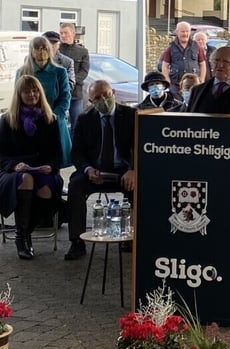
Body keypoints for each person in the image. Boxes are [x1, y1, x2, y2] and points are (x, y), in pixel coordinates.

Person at [66, 80, 136, 260]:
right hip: (95, 172)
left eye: (105, 94)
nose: (102, 99)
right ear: (90, 101)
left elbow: (141, 147)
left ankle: (131, 237)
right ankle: (77, 241)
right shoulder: (84, 119)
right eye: (96, 98)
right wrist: (88, 169)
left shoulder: (131, 115)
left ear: (113, 92)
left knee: (139, 186)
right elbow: (77, 153)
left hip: (123, 171)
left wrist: (133, 169)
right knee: (75, 186)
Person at [0, 76, 64, 259]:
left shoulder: (50, 119)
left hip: (43, 169)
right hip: (13, 171)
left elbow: (57, 154)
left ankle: (27, 230)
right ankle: (22, 238)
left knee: (46, 189)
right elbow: (1, 155)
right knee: (26, 179)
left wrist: (51, 167)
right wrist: (15, 165)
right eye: (27, 91)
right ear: (19, 95)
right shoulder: (6, 120)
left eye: (35, 90)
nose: (32, 94)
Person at [16, 36, 72, 168]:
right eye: (37, 48)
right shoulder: (22, 72)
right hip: (29, 121)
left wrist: (53, 116)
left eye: (44, 48)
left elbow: (65, 98)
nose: (41, 52)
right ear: (31, 51)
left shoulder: (60, 72)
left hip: (53, 120)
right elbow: (17, 98)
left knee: (54, 162)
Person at [160, 21, 207, 100]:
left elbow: (203, 64)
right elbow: (164, 66)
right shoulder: (171, 47)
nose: (185, 34)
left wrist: (201, 81)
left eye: (187, 31)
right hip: (176, 87)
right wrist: (168, 83)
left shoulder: (197, 46)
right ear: (177, 32)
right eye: (182, 31)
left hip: (194, 86)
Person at [59, 23, 90, 132]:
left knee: (77, 126)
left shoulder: (82, 52)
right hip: (59, 94)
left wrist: (70, 82)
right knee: (58, 124)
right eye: (61, 33)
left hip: (75, 95)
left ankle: (75, 148)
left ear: (73, 34)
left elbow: (84, 71)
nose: (63, 36)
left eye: (65, 33)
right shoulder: (56, 50)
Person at [42, 31, 75, 96]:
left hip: (58, 100)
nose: (51, 45)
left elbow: (70, 85)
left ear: (58, 45)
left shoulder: (67, 62)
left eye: (54, 43)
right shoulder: (32, 60)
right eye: (48, 43)